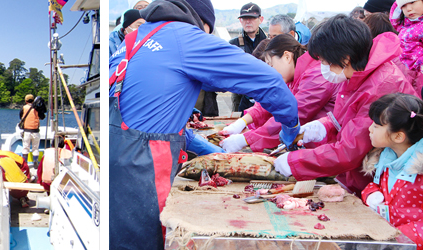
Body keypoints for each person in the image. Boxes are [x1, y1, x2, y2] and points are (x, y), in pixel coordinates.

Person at [109, 0, 300, 248]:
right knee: (143, 240)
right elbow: (271, 82)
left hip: (115, 155)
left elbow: (151, 121)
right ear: (204, 24)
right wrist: (291, 130)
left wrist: (215, 153)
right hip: (140, 165)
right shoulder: (187, 37)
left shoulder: (134, 38)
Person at [273, 14, 418, 198]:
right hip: (358, 176)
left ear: (345, 58)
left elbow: (351, 150)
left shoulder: (380, 86)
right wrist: (323, 126)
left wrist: (295, 161)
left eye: (325, 61)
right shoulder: (353, 74)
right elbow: (344, 119)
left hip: (389, 183)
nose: (323, 66)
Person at [220, 35, 340, 153]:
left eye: (271, 66)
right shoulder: (292, 76)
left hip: (326, 150)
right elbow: (274, 101)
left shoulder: (316, 76)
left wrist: (245, 139)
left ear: (287, 57)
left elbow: (292, 116)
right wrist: (242, 122)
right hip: (310, 148)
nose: (270, 72)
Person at [361, 93, 423, 248]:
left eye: (376, 126)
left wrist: (402, 236)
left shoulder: (419, 170)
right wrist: (371, 194)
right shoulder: (387, 157)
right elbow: (379, 188)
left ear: (398, 136)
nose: (370, 129)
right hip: (389, 239)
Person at [229, 2, 268, 112]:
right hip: (241, 94)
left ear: (260, 19)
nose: (248, 21)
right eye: (245, 18)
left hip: (264, 93)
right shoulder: (233, 44)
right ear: (240, 21)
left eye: (252, 18)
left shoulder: (269, 43)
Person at [19, 94, 45, 164]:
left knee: (25, 148)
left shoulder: (24, 108)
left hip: (27, 131)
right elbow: (42, 117)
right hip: (35, 131)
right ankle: (35, 161)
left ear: (26, 101)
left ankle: (25, 163)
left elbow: (21, 116)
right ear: (33, 100)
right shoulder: (37, 108)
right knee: (35, 148)